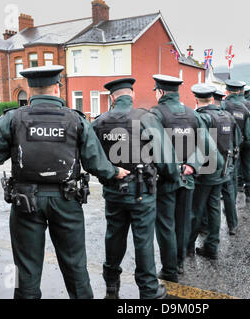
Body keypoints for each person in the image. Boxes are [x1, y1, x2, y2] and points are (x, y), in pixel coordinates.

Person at [0, 65, 130, 299]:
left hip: (24, 202)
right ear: (57, 88)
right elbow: (95, 162)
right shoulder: (75, 120)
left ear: (30, 90)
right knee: (76, 266)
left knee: (25, 269)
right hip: (67, 201)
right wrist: (114, 172)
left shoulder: (12, 119)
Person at [92, 77, 180, 299]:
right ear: (131, 95)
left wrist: (110, 171)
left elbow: (90, 158)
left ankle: (111, 283)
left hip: (113, 190)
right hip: (142, 191)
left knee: (114, 235)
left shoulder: (100, 121)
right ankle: (148, 290)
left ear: (112, 98)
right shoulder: (145, 118)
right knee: (143, 239)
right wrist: (171, 177)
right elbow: (166, 158)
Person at [149, 74, 206, 281]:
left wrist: (174, 170)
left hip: (166, 180)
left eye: (156, 91)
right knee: (182, 223)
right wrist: (191, 165)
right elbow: (205, 146)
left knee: (165, 225)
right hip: (188, 178)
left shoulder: (155, 114)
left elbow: (156, 149)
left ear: (161, 92)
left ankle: (170, 269)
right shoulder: (192, 114)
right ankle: (180, 263)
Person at [188, 83, 239, 260]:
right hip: (223, 169)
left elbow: (196, 146)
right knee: (214, 207)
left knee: (196, 210)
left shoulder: (201, 117)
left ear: (196, 99)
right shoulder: (227, 116)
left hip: (205, 170)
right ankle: (212, 246)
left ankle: (188, 246)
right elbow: (236, 142)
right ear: (212, 98)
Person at [221, 80, 250, 202]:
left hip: (227, 143)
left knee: (229, 172)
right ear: (239, 91)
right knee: (246, 167)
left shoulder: (224, 105)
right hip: (241, 142)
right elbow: (246, 132)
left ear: (227, 91)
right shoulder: (244, 108)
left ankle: (230, 199)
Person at [216, 89, 242, 235]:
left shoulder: (204, 116)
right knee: (229, 193)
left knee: (210, 198)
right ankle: (233, 225)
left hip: (211, 164)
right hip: (228, 161)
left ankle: (206, 227)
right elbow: (238, 139)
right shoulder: (229, 118)